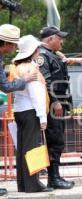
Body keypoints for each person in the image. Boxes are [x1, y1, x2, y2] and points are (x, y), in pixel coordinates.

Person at [0, 24, 37, 196]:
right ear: (6, 43)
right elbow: (6, 86)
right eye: (13, 44)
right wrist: (26, 79)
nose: (14, 48)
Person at [13, 35, 53, 193]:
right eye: (37, 48)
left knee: (22, 148)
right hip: (31, 111)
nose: (39, 50)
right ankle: (33, 185)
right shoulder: (32, 68)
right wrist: (43, 117)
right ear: (33, 51)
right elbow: (37, 94)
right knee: (32, 148)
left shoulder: (18, 67)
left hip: (19, 111)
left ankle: (23, 184)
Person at [36, 26, 74, 189]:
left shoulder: (51, 55)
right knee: (54, 140)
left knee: (57, 140)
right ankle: (53, 178)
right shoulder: (43, 56)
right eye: (59, 38)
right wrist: (56, 101)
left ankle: (55, 177)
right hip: (53, 104)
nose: (62, 41)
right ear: (50, 39)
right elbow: (47, 81)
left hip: (59, 101)